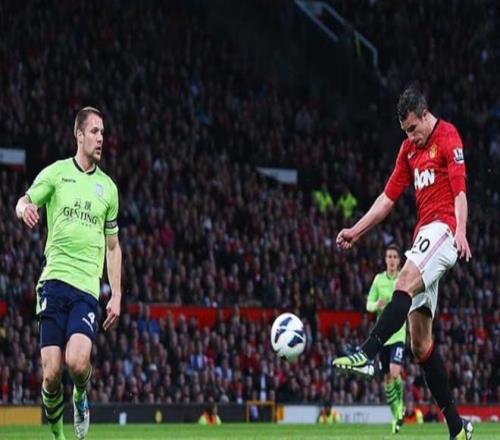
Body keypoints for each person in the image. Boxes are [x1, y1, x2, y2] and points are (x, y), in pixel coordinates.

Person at [333, 85, 473, 440]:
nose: (411, 136)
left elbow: (459, 190)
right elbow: (387, 198)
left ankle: (366, 353)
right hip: (425, 235)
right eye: (405, 131)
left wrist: (461, 230)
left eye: (413, 128)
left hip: (444, 229)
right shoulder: (408, 150)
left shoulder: (447, 136)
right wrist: (356, 231)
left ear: (424, 115)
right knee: (420, 344)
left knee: (403, 281)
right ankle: (458, 428)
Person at [15, 107, 122, 440]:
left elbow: (113, 247)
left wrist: (117, 294)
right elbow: (23, 201)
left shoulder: (108, 189)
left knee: (76, 363)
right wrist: (25, 209)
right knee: (50, 375)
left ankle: (81, 395)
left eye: (103, 132)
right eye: (94, 131)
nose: (101, 138)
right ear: (79, 135)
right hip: (53, 283)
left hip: (86, 288)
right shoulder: (57, 173)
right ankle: (59, 436)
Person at [366, 244, 405, 433]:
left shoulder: (403, 279)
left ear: (399, 261)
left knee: (395, 372)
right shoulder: (378, 280)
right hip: (382, 336)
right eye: (389, 256)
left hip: (398, 333)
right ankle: (395, 415)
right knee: (387, 379)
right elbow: (368, 304)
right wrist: (377, 305)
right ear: (385, 260)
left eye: (395, 257)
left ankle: (400, 405)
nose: (391, 260)